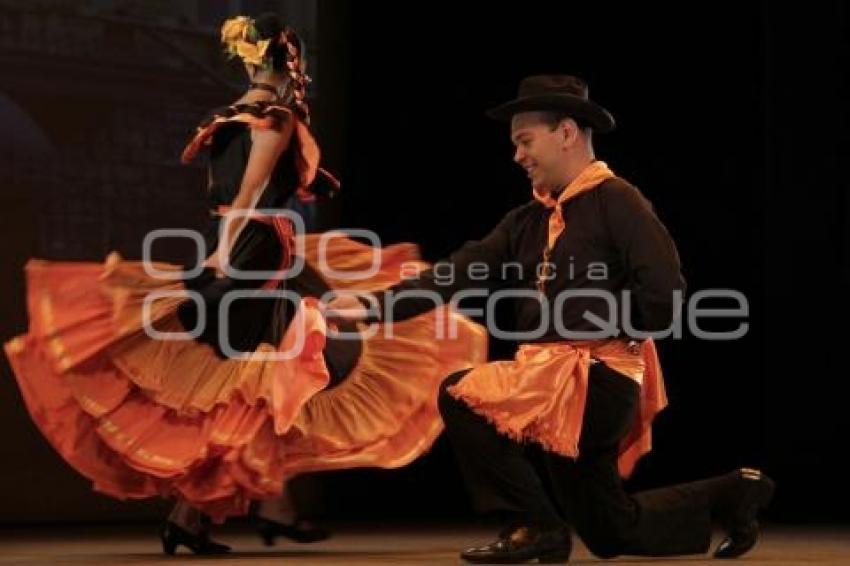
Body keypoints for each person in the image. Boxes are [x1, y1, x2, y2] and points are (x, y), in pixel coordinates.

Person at [3, 13, 486, 556]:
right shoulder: (272, 119)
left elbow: (224, 197)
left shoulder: (225, 120)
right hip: (258, 249)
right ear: (285, 66)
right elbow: (251, 193)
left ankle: (223, 514)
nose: (300, 81)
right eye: (296, 68)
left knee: (253, 380)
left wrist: (216, 250)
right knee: (264, 379)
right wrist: (229, 254)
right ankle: (222, 513)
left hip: (241, 243)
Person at [326, 75, 774, 562]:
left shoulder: (616, 200)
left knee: (461, 395)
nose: (517, 156)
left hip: (597, 380)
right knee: (611, 531)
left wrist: (605, 333)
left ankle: (537, 527)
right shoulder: (527, 221)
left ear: (566, 132)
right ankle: (735, 493)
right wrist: (370, 306)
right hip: (555, 380)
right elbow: (455, 274)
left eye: (525, 141)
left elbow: (664, 291)